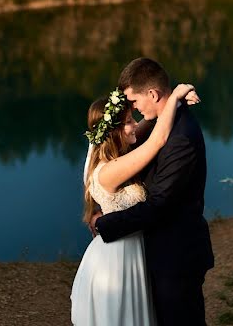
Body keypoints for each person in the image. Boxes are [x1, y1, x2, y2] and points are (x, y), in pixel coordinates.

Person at [93, 57, 215, 326]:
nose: (133, 113)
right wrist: (178, 98)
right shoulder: (160, 124)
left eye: (134, 103)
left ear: (152, 94)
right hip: (155, 254)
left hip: (177, 256)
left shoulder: (181, 139)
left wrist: (105, 223)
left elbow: (159, 203)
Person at [71, 81, 199, 326]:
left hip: (132, 253)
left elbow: (152, 119)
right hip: (116, 263)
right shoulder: (110, 170)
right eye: (129, 121)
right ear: (114, 131)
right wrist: (177, 94)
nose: (134, 125)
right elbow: (157, 140)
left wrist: (170, 100)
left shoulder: (114, 155)